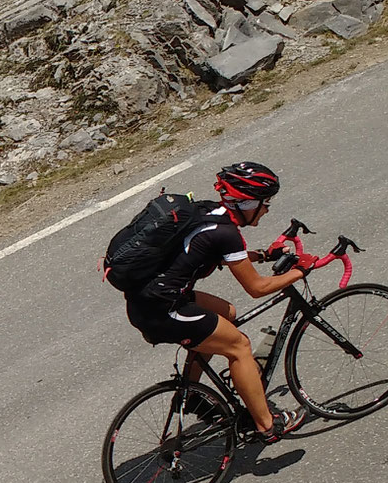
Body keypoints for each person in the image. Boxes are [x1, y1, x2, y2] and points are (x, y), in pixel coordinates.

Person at [123, 161, 309, 442]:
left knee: (228, 314)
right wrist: (301, 271)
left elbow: (212, 250)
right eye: (265, 202)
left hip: (152, 296)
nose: (268, 208)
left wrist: (261, 255)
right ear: (247, 202)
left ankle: (192, 397)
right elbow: (257, 288)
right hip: (161, 309)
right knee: (239, 346)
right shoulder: (227, 233)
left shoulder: (208, 211)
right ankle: (267, 426)